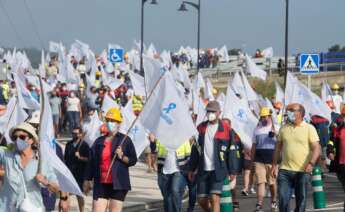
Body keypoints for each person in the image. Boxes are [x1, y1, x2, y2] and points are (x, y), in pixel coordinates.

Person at [188, 101, 240, 212]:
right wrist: (191, 168)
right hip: (203, 170)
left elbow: (232, 151)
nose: (210, 113)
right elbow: (195, 150)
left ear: (219, 112)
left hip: (219, 170)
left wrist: (233, 171)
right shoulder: (200, 128)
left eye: (213, 111)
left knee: (214, 198)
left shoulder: (227, 129)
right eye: (208, 111)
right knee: (201, 200)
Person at [84, 108, 137, 212]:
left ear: (119, 123)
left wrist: (122, 156)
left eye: (112, 121)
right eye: (108, 120)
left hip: (118, 184)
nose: (110, 123)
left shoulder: (125, 140)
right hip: (101, 183)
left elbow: (133, 160)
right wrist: (87, 179)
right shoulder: (99, 141)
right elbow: (91, 162)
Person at [272, 103, 320, 212]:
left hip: (302, 171)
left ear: (300, 113)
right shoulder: (283, 128)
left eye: (291, 110)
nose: (288, 112)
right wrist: (274, 165)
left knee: (301, 200)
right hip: (285, 170)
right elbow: (277, 149)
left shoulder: (309, 128)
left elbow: (317, 148)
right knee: (283, 200)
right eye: (288, 110)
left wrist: (311, 163)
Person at [0, 122, 59, 211]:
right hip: (7, 208)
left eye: (22, 137)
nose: (18, 140)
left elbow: (56, 188)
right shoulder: (7, 155)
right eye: (15, 137)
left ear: (31, 140)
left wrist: (45, 181)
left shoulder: (41, 162)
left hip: (31, 207)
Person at [252, 107, 278, 212]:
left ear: (270, 116)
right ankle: (259, 205)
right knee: (260, 182)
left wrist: (276, 134)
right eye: (262, 117)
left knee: (272, 183)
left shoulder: (276, 127)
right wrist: (252, 160)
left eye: (265, 116)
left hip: (272, 160)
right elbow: (254, 145)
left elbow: (281, 143)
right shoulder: (256, 129)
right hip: (259, 160)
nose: (263, 119)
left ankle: (274, 201)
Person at [156, 139, 191, 212]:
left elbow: (189, 156)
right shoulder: (161, 137)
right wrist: (152, 142)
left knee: (175, 190)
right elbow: (154, 150)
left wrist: (188, 171)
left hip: (179, 170)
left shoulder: (184, 137)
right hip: (164, 171)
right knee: (167, 198)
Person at [64, 127, 90, 212]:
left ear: (80, 134)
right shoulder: (69, 144)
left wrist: (80, 157)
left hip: (80, 174)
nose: (74, 135)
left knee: (79, 195)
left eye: (76, 133)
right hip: (70, 173)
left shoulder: (85, 145)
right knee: (66, 194)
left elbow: (89, 160)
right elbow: (65, 158)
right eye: (73, 133)